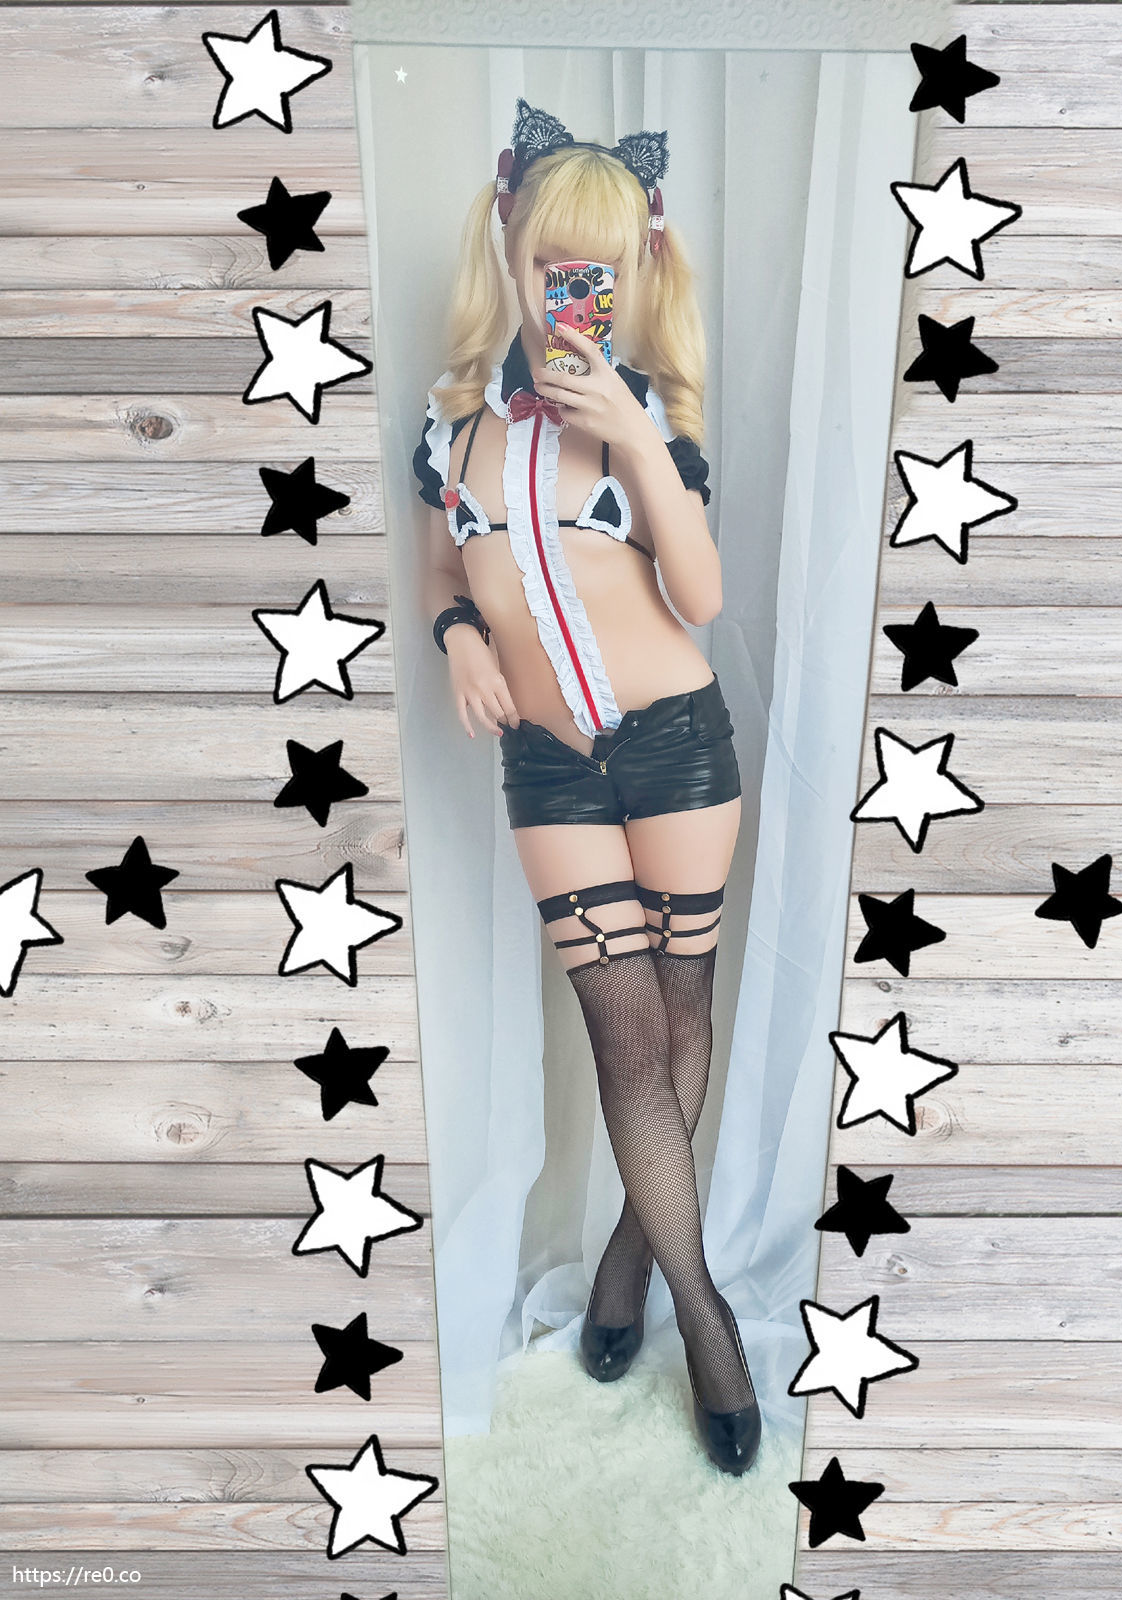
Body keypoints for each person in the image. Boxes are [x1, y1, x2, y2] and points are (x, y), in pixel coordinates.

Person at [412, 97, 760, 1475]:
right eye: (552, 257)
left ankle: (629, 1266)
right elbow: (444, 570)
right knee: (627, 1040)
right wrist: (457, 637)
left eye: (597, 268)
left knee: (681, 1020)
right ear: (507, 246)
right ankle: (704, 1311)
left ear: (631, 273)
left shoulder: (649, 414)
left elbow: (703, 595)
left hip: (677, 744)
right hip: (548, 764)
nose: (573, 285)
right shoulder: (453, 427)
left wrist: (633, 434)